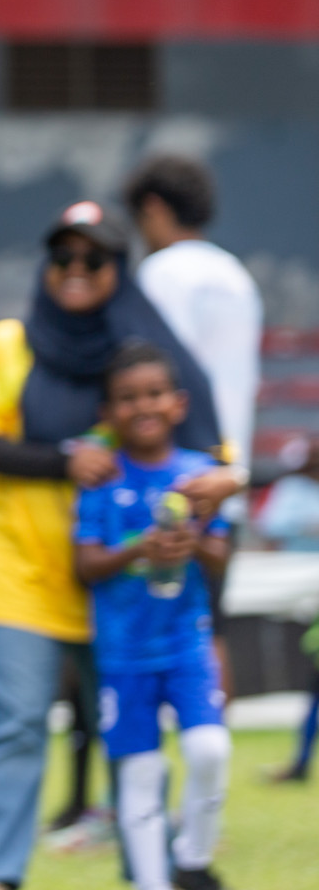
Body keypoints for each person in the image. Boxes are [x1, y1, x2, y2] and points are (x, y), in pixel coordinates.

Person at [0, 200, 238, 890]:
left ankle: (153, 869)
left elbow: (212, 459)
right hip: (19, 571)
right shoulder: (9, 341)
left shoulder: (150, 354)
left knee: (128, 736)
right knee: (18, 726)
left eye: (94, 261)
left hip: (121, 582)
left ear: (119, 269)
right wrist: (62, 461)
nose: (76, 272)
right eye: (63, 259)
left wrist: (219, 489)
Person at [74, 341, 232, 890]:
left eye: (155, 394)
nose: (143, 406)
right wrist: (138, 549)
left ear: (179, 404)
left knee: (210, 748)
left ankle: (191, 857)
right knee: (140, 773)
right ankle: (151, 881)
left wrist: (193, 544)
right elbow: (87, 563)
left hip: (187, 643)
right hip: (122, 652)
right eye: (127, 397)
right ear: (108, 412)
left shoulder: (198, 475)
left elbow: (220, 553)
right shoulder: (101, 478)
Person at [126, 154, 261, 705]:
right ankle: (211, 759)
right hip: (226, 473)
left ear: (154, 209)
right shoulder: (236, 274)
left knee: (143, 625)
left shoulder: (161, 274)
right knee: (212, 628)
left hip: (171, 472)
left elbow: (149, 373)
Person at [258, 435, 319, 782]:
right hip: (301, 597)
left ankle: (300, 763)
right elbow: (271, 524)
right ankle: (300, 762)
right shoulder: (291, 488)